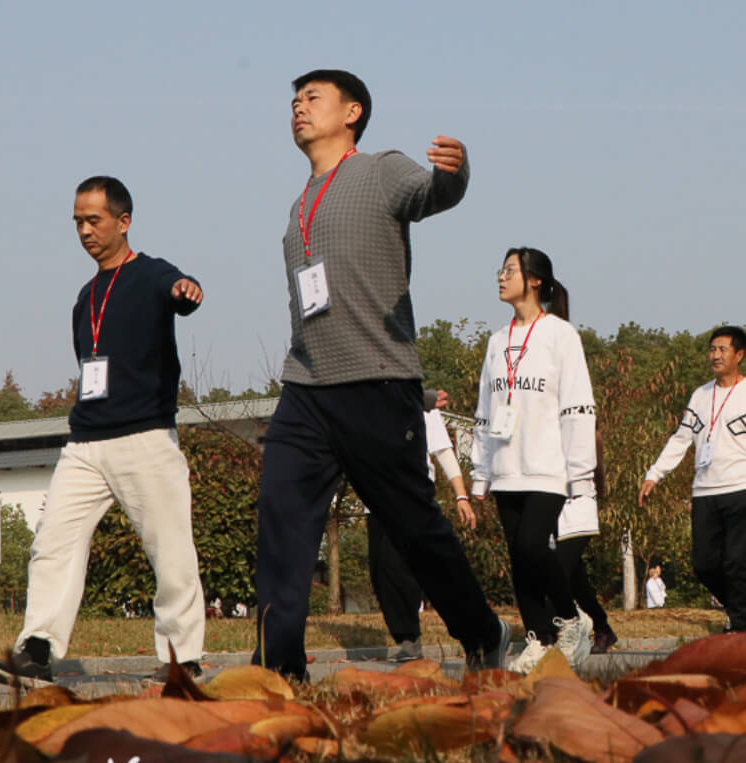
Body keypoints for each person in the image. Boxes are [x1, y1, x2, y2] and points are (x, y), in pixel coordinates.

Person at [255, 69, 510, 678]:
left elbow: (432, 195)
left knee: (412, 527)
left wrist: (456, 172)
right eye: (294, 100)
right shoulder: (299, 205)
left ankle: (482, 632)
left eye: (312, 98)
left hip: (377, 382)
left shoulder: (382, 169)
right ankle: (277, 667)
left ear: (352, 112)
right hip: (306, 388)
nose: (298, 107)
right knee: (282, 522)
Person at [0, 176, 207, 686]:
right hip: (84, 443)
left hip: (145, 438)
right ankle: (37, 651)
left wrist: (185, 291)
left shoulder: (153, 274)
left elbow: (182, 291)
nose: (84, 230)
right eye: (77, 221)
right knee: (53, 544)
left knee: (170, 552)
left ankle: (182, 660)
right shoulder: (85, 296)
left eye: (94, 220)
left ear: (123, 222)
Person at [472, 246, 597, 674]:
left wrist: (580, 475)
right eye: (501, 270)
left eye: (509, 271)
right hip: (507, 467)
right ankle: (538, 638)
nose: (500, 277)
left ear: (536, 280)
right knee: (519, 558)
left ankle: (570, 620)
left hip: (548, 468)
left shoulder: (561, 336)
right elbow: (485, 411)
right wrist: (480, 472)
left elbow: (578, 406)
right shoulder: (496, 342)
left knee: (532, 545)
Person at [641, 326, 746, 632]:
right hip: (705, 490)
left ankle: (740, 627)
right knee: (703, 564)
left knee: (736, 562)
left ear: (739, 355)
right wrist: (655, 473)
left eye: (722, 350)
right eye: (712, 349)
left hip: (744, 487)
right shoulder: (700, 395)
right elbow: (681, 438)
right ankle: (742, 603)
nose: (715, 355)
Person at [370, 392, 477, 662]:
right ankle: (406, 638)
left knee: (403, 566)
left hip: (411, 496)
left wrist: (461, 495)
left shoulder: (420, 402)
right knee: (380, 571)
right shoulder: (364, 405)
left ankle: (469, 630)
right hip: (374, 499)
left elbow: (443, 451)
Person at [555, 430, 619, 654]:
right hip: (555, 510)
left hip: (580, 508)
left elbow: (598, 469)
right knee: (576, 581)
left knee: (558, 571)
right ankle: (602, 627)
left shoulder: (588, 431)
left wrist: (598, 493)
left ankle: (570, 625)